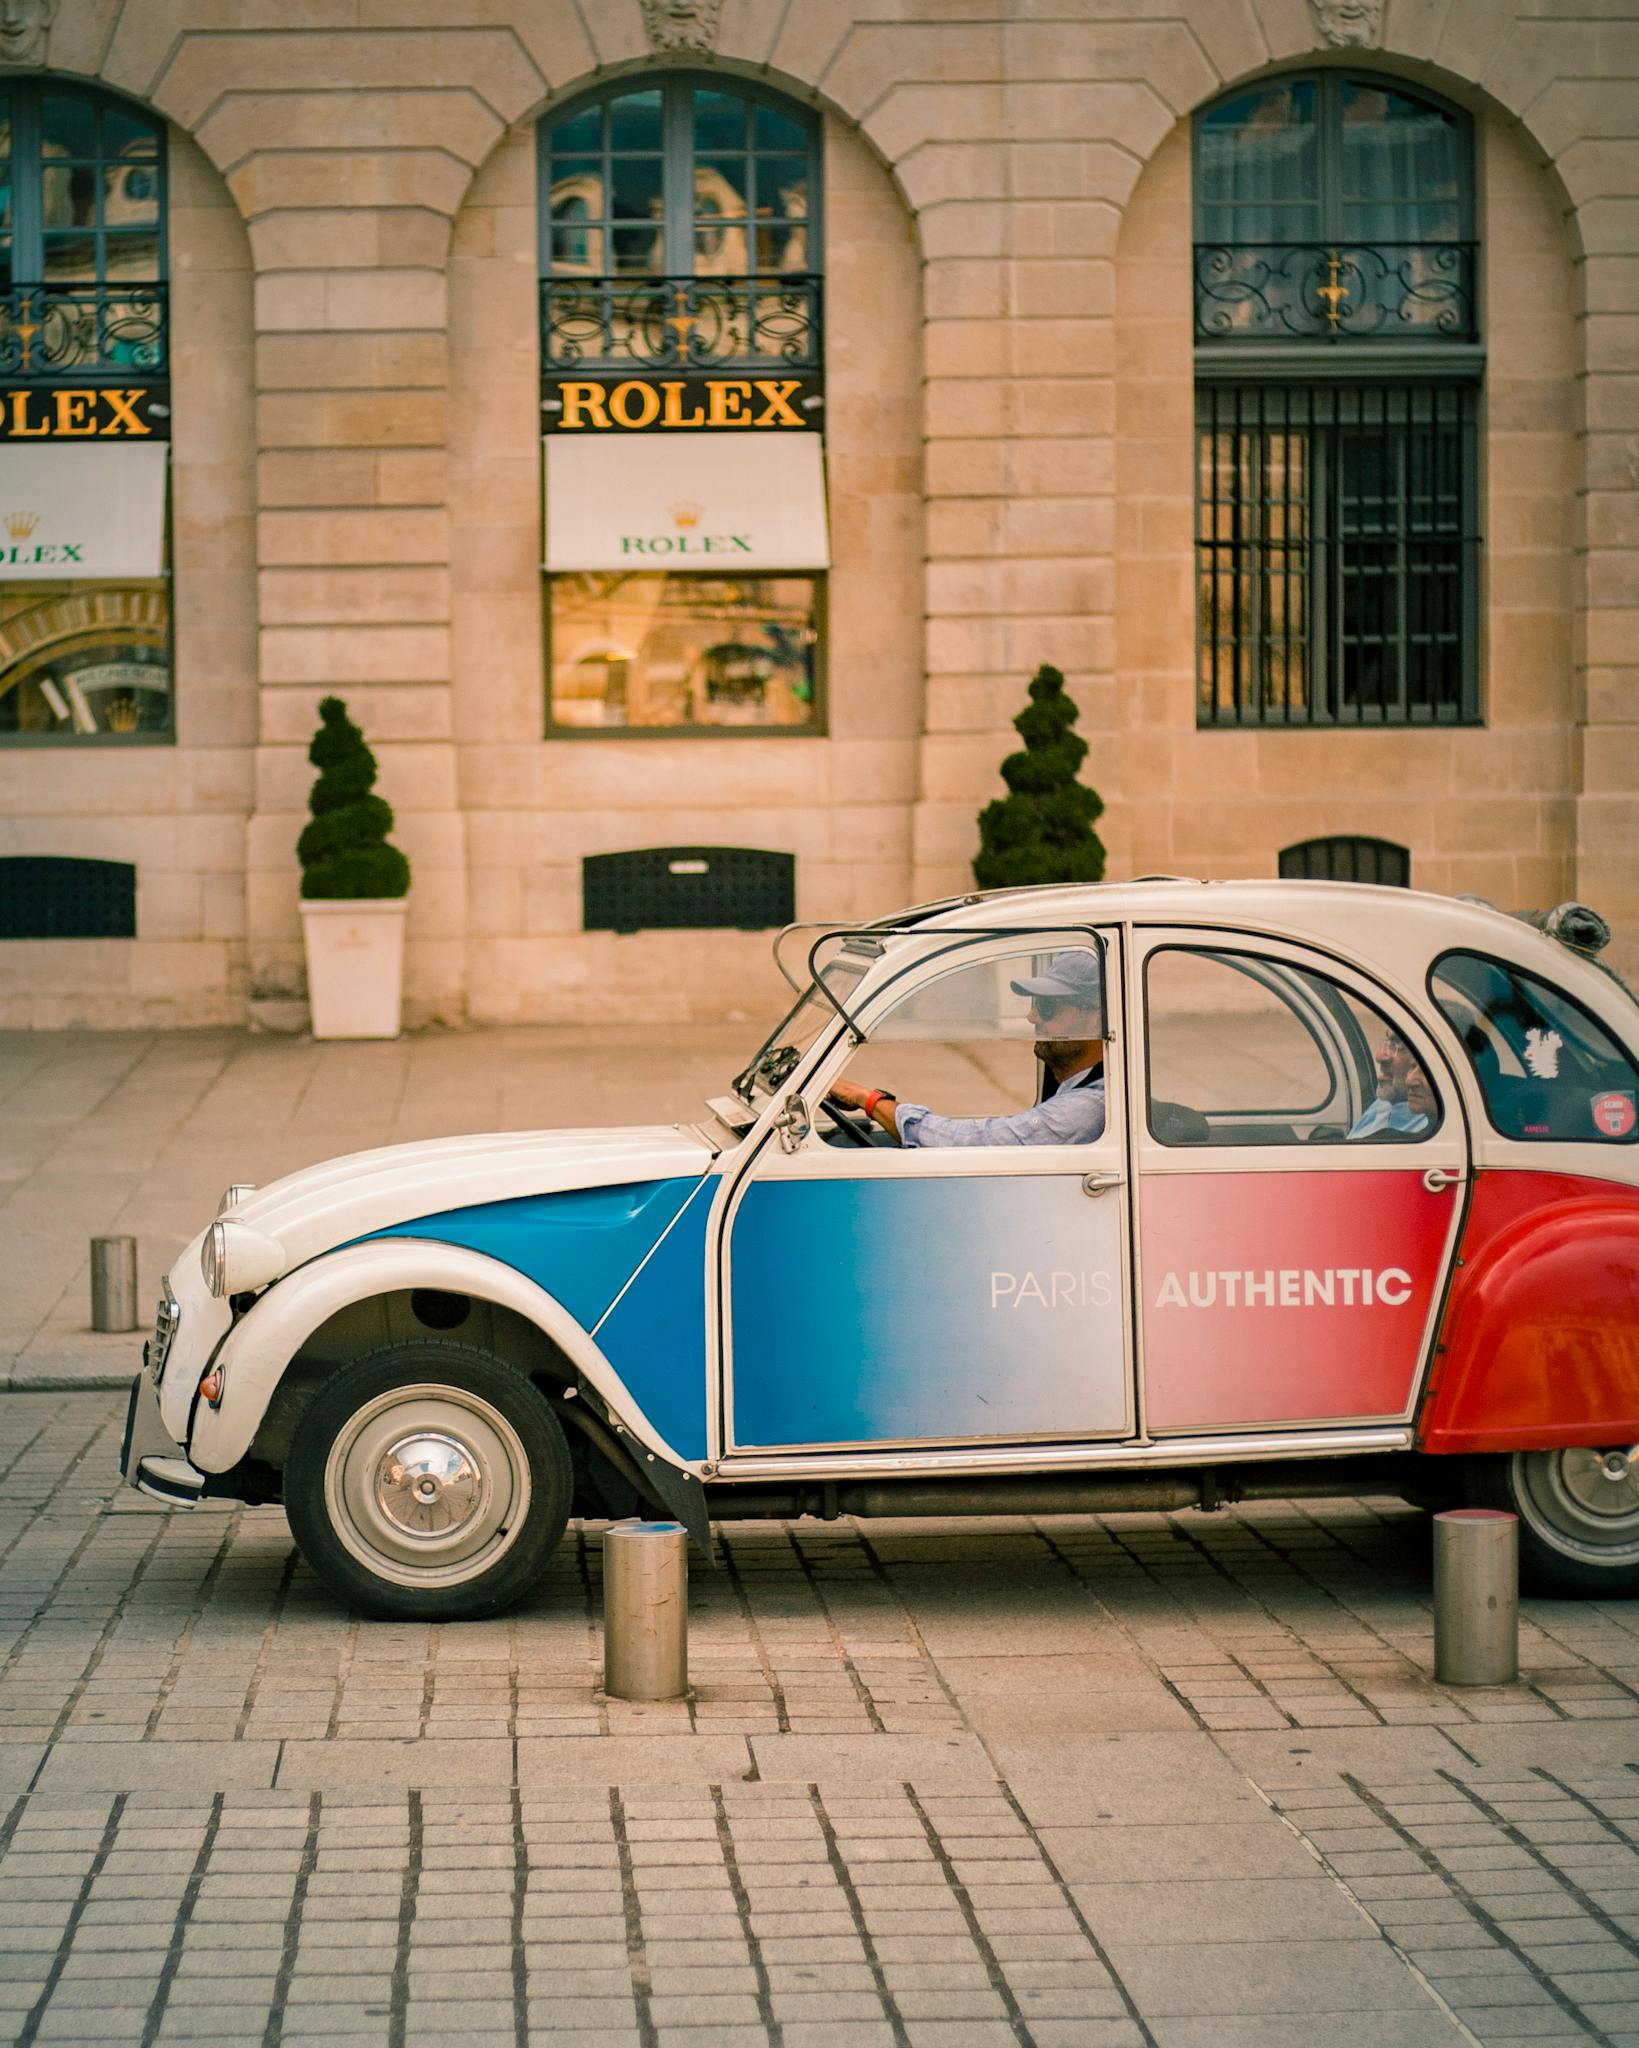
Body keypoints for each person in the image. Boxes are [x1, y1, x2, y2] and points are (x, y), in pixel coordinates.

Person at [826, 950, 1107, 1147]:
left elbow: (976, 1141)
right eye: (1035, 1004)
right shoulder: (1077, 1091)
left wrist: (867, 1099)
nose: (1032, 1017)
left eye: (1047, 1007)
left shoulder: (1088, 1107)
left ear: (1096, 1017)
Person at [1347, 1028, 1433, 1139]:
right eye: (1388, 1043)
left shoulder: (1429, 1130)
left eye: (1401, 1047)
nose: (1379, 1057)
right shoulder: (1383, 1104)